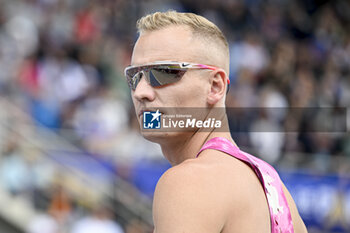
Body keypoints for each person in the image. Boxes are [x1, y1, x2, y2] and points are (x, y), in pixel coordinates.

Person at [124, 11, 307, 233]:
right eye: (134, 76)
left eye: (162, 72)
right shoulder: (276, 191)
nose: (140, 92)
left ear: (215, 87)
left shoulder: (189, 181)